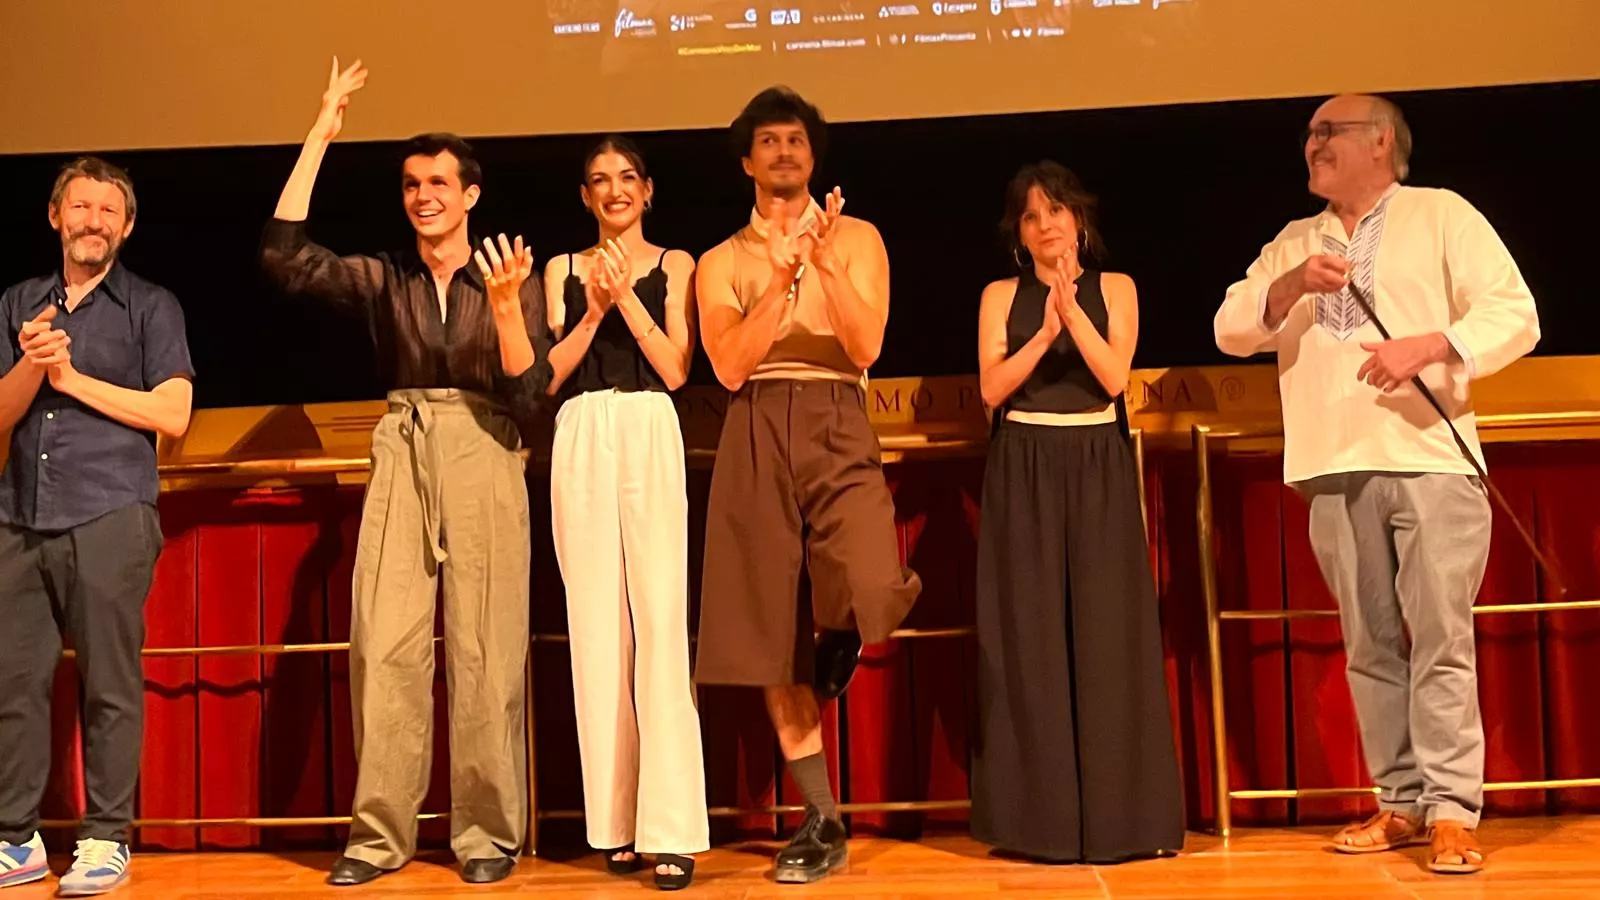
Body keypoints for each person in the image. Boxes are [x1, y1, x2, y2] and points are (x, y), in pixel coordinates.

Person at [1214, 93, 1540, 875]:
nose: (1313, 144)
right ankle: (1400, 802)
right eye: (1310, 134)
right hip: (1332, 463)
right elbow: (1231, 327)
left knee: (1439, 641)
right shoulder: (1296, 240)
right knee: (1368, 648)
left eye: (1331, 132)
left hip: (1430, 457)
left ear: (1381, 141)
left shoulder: (1440, 213)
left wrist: (1429, 346)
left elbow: (1516, 313)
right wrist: (1288, 288)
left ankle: (1454, 812)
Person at [259, 60, 552, 887]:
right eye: (411, 184)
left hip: (485, 444)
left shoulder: (508, 271)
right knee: (382, 642)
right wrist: (321, 130)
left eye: (438, 183)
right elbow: (284, 258)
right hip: (402, 441)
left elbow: (530, 397)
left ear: (470, 195)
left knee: (485, 646)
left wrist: (503, 309)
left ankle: (486, 833)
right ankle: (379, 836)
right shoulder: (384, 277)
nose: (423, 195)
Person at [692, 85, 922, 884]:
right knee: (767, 632)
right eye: (769, 141)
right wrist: (782, 281)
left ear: (813, 157)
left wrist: (820, 265)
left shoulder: (856, 238)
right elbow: (726, 366)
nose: (784, 152)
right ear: (747, 161)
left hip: (833, 410)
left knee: (870, 581)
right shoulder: (720, 260)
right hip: (756, 418)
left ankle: (844, 635)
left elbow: (864, 346)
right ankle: (821, 816)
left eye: (796, 140)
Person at [970, 161, 1184, 864]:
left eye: (1056, 210)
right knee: (1028, 640)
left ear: (1079, 220)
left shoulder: (1115, 287)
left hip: (1096, 460)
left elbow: (1115, 378)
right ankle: (1041, 827)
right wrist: (1043, 328)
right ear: (1019, 234)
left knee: (1106, 636)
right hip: (1023, 463)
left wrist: (1073, 314)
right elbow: (993, 389)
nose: (1046, 224)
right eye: (1032, 216)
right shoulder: (1000, 295)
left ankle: (1124, 824)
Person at [0, 157, 195, 895]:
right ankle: (14, 839)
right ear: (56, 217)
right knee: (12, 684)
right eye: (80, 207)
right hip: (18, 513)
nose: (92, 221)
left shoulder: (151, 307)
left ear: (127, 225)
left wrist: (73, 378)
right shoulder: (19, 302)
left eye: (108, 211)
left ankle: (105, 837)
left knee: (110, 683)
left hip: (111, 509)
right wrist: (32, 364)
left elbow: (173, 415)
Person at [540, 136, 707, 891]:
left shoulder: (677, 264)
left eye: (626, 179)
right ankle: (614, 823)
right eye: (600, 181)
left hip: (647, 423)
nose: (614, 191)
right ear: (584, 196)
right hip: (581, 428)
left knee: (661, 625)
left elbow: (676, 368)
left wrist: (626, 299)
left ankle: (671, 828)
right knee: (596, 630)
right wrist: (593, 305)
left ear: (647, 190)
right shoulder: (561, 270)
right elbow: (547, 375)